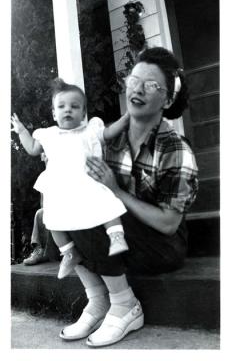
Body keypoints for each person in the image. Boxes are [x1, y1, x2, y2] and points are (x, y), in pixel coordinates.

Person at [50, 46, 198, 348]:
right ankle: (98, 299)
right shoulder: (109, 138)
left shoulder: (174, 149)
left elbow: (169, 224)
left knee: (93, 213)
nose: (138, 89)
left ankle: (125, 305)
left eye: (151, 85)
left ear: (167, 99)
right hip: (120, 237)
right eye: (134, 80)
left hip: (161, 246)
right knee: (53, 211)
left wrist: (115, 191)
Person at [11, 78, 130, 280]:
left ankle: (116, 236)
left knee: (108, 205)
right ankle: (69, 251)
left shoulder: (89, 132)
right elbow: (32, 148)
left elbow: (109, 133)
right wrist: (22, 131)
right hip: (61, 188)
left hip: (86, 183)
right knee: (52, 221)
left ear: (83, 113)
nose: (68, 110)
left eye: (75, 107)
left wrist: (126, 118)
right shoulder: (48, 134)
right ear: (53, 113)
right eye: (61, 106)